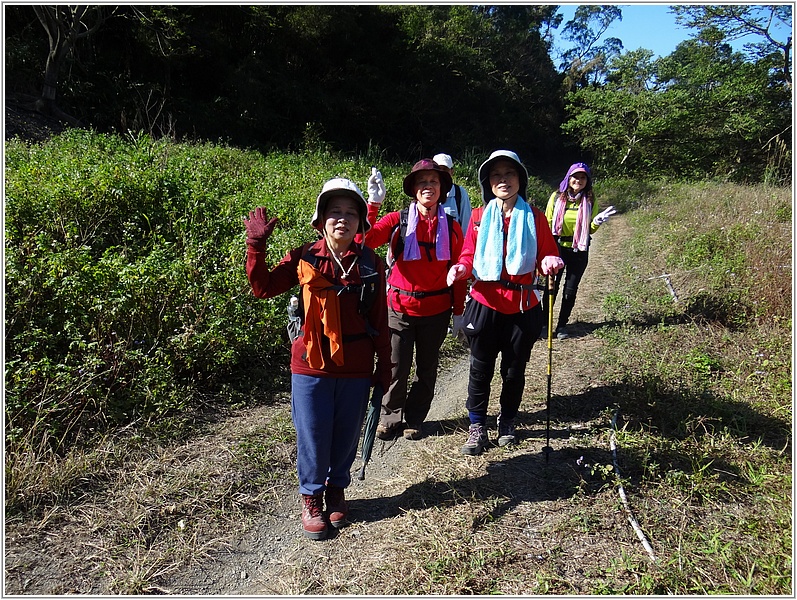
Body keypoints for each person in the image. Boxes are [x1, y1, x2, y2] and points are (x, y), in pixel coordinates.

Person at [244, 177, 392, 541]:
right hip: (310, 363)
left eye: (350, 213)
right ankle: (311, 497)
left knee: (345, 434)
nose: (342, 219)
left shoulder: (371, 264)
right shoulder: (304, 257)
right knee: (312, 432)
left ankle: (336, 489)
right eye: (334, 212)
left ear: (361, 221)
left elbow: (380, 321)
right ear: (321, 218)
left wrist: (384, 368)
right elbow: (262, 287)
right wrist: (255, 246)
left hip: (356, 365)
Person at [446, 150, 564, 456]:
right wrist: (461, 268)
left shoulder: (535, 216)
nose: (503, 180)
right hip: (485, 302)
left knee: (514, 370)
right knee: (480, 368)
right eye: (496, 175)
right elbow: (468, 255)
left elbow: (547, 253)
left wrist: (550, 259)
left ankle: (508, 421)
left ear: (519, 180)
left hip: (523, 305)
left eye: (509, 174)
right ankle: (476, 426)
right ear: (488, 181)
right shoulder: (477, 217)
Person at [363, 160, 467, 441]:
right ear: (413, 189)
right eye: (422, 182)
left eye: (433, 181)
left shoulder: (453, 228)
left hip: (436, 310)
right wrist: (373, 205)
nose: (428, 187)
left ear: (442, 188)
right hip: (399, 307)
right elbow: (366, 240)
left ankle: (415, 418)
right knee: (395, 365)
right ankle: (390, 416)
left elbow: (458, 271)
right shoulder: (398, 221)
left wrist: (459, 313)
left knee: (427, 369)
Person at [544, 162, 616, 339]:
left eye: (583, 177)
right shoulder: (556, 197)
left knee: (570, 289)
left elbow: (590, 229)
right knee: (550, 287)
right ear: (569, 178)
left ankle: (562, 325)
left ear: (587, 181)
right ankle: (545, 324)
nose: (579, 180)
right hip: (557, 247)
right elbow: (547, 222)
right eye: (576, 176)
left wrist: (597, 222)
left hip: (579, 250)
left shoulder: (590, 200)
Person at [433, 153, 472, 230]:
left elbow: (466, 225)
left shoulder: (460, 193)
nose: (442, 173)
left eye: (445, 169)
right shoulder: (427, 193)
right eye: (438, 169)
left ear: (452, 171)